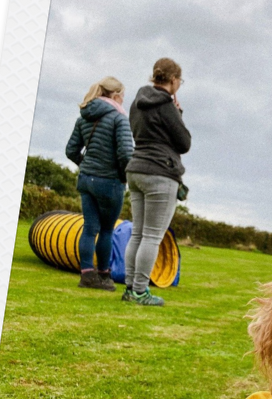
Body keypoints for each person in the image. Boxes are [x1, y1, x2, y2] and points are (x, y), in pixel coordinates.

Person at [121, 57, 192, 308]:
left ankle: (130, 287)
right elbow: (184, 142)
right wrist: (178, 113)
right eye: (179, 81)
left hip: (136, 168)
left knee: (138, 233)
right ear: (173, 80)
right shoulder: (167, 105)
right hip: (160, 173)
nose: (179, 85)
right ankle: (140, 292)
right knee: (152, 236)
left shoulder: (137, 102)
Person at [65, 77, 135, 290]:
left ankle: (87, 275)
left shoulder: (84, 117)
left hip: (86, 179)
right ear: (115, 96)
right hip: (110, 182)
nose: (123, 100)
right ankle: (104, 275)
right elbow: (125, 153)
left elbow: (70, 151)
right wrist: (125, 177)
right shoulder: (119, 118)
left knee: (89, 229)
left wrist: (86, 165)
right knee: (106, 230)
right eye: (123, 96)